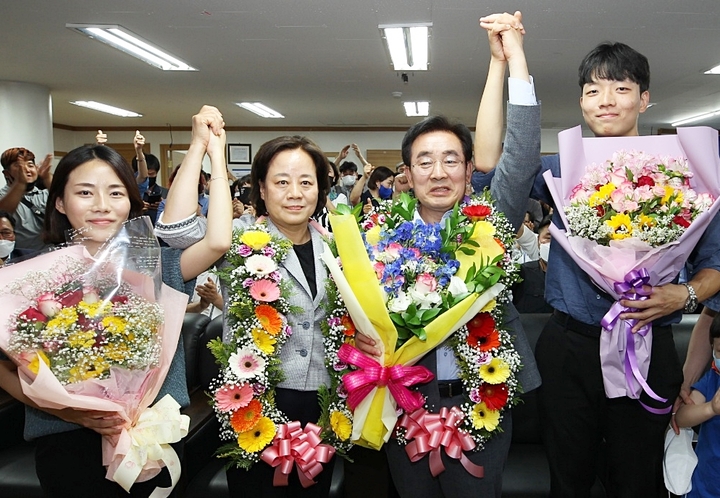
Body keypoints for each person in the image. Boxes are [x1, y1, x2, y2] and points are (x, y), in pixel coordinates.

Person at [472, 38, 720, 495]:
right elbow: (488, 164)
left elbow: (715, 266)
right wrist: (498, 64)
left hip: (648, 344)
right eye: (592, 91)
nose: (605, 101)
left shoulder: (687, 169)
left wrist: (682, 295)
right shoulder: (564, 166)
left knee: (637, 477)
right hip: (569, 346)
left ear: (644, 98)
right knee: (568, 477)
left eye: (621, 88)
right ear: (582, 102)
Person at [0, 106, 231, 497]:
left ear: (131, 200)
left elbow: (217, 241)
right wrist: (74, 412)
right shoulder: (31, 278)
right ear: (60, 202)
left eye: (115, 192)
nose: (101, 205)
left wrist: (210, 152)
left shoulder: (154, 269)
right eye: (85, 192)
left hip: (149, 438)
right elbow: (6, 369)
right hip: (67, 444)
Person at [355, 12, 541, 497]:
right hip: (404, 404)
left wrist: (511, 57)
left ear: (467, 169)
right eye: (424, 161)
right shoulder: (374, 238)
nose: (439, 172)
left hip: (482, 403)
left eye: (451, 159)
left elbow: (519, 155)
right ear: (408, 174)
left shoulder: (489, 223)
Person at [156, 134, 338, 497]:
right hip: (254, 404)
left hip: (322, 405)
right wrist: (201, 150)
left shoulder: (335, 246)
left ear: (320, 189)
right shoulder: (238, 237)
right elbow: (175, 231)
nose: (295, 193)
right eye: (281, 182)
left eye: (306, 182)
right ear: (262, 188)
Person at [675, 311, 720, 497]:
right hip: (707, 483)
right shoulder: (713, 379)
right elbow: (682, 417)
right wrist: (710, 408)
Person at [0, 147, 54, 253]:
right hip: (21, 260)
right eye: (18, 166)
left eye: (30, 165)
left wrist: (47, 177)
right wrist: (20, 183)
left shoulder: (44, 193)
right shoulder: (3, 197)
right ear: (6, 173)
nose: (27, 170)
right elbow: (3, 213)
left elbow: (65, 200)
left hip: (50, 256)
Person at [512, 215, 553, 313]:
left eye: (560, 241)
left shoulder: (576, 280)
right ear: (538, 240)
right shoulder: (523, 273)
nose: (553, 245)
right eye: (549, 238)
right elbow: (514, 224)